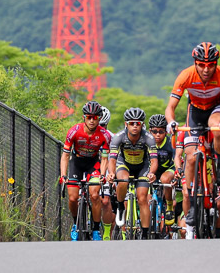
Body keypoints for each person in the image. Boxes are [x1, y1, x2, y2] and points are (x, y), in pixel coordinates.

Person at [164, 42, 220, 187]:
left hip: (216, 107)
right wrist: (171, 121)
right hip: (195, 110)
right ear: (195, 63)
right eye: (201, 65)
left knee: (215, 127)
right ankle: (191, 198)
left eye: (210, 65)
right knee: (190, 157)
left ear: (216, 64)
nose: (206, 69)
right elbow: (170, 106)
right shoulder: (186, 75)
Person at [60, 100, 112, 241]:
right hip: (76, 163)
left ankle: (95, 229)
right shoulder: (74, 131)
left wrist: (102, 174)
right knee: (72, 197)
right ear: (84, 117)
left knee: (95, 195)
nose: (91, 120)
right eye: (88, 117)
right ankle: (75, 223)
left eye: (95, 117)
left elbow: (105, 158)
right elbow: (65, 156)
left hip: (93, 164)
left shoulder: (105, 135)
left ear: (99, 119)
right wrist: (63, 175)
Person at [108, 107, 158, 240]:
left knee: (142, 198)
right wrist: (112, 173)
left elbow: (154, 160)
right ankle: (120, 206)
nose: (135, 126)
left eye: (138, 123)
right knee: (123, 181)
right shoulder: (119, 137)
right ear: (126, 124)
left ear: (142, 124)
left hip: (142, 166)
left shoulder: (148, 138)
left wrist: (152, 173)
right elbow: (112, 159)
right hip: (124, 164)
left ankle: (146, 234)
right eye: (132, 123)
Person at [147, 114, 177, 227]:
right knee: (146, 197)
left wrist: (177, 176)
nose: (157, 135)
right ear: (150, 131)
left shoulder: (170, 143)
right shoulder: (147, 143)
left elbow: (177, 159)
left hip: (168, 168)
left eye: (161, 131)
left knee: (165, 179)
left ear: (166, 132)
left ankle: (169, 206)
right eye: (154, 131)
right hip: (152, 170)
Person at [98, 106, 116, 239]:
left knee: (105, 201)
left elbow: (114, 159)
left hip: (106, 169)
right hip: (90, 167)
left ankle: (106, 234)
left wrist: (112, 175)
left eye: (103, 125)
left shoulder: (112, 137)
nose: (100, 128)